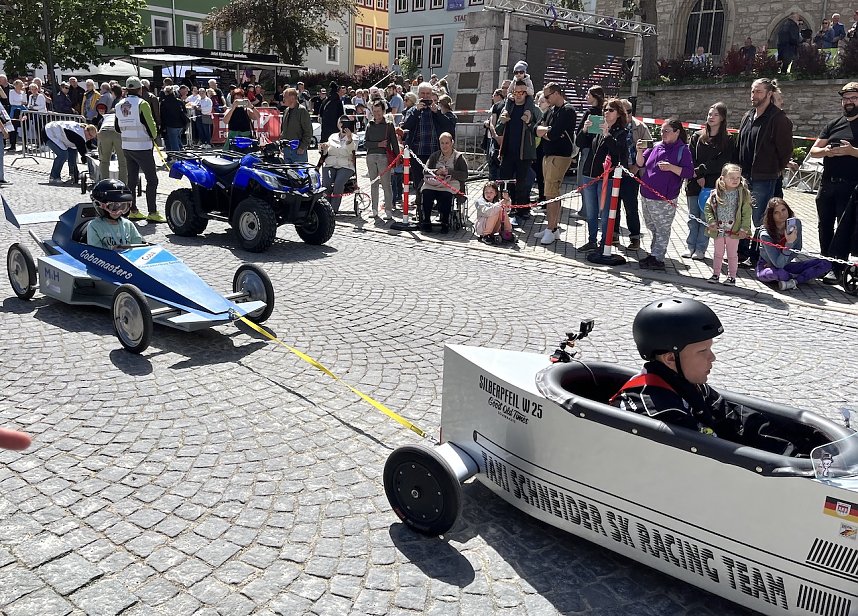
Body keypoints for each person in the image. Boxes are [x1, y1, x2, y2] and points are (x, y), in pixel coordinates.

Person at [809, 82, 858, 285]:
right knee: (824, 226)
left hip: (850, 185)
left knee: (843, 228)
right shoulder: (833, 124)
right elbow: (814, 151)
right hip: (827, 183)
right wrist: (828, 151)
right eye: (846, 99)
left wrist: (851, 151)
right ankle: (826, 263)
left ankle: (838, 267)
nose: (849, 102)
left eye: (853, 98)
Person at [635, 117, 694, 270]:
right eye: (661, 131)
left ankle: (658, 257)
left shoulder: (683, 150)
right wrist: (639, 151)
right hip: (647, 194)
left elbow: (689, 172)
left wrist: (671, 167)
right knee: (652, 226)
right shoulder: (656, 146)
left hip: (665, 198)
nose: (663, 134)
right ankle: (654, 253)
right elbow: (640, 163)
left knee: (662, 228)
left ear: (677, 132)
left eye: (666, 131)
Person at [737, 78, 793, 230]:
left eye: (758, 92)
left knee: (760, 218)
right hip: (743, 177)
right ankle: (741, 252)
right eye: (752, 91)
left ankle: (761, 251)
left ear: (769, 94)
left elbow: (786, 150)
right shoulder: (748, 116)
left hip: (764, 178)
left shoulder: (778, 118)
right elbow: (740, 144)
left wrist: (775, 168)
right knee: (742, 216)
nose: (754, 95)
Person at [684, 102, 735, 261]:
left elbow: (722, 162)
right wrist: (697, 175)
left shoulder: (728, 140)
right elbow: (690, 158)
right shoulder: (697, 136)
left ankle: (701, 248)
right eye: (710, 114)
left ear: (722, 118)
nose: (711, 117)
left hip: (713, 185)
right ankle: (690, 246)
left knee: (706, 219)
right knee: (693, 217)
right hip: (694, 182)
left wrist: (703, 172)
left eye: (716, 115)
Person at [576, 98, 628, 252]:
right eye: (605, 109)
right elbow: (580, 143)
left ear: (618, 114)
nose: (606, 112)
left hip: (607, 178)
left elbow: (618, 153)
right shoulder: (597, 127)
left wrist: (607, 134)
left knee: (604, 213)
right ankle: (591, 241)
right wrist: (584, 130)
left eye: (610, 110)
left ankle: (604, 243)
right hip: (589, 175)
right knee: (591, 212)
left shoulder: (621, 132)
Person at [114, 76, 164, 223]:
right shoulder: (142, 103)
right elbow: (151, 127)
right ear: (140, 89)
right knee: (152, 180)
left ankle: (133, 210)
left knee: (132, 179)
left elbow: (117, 128)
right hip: (142, 147)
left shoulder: (119, 104)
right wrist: (154, 135)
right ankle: (153, 212)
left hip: (127, 147)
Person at [756, 197, 832, 291]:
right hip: (767, 266)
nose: (781, 214)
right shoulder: (765, 234)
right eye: (776, 212)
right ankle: (799, 278)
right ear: (771, 215)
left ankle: (794, 281)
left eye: (784, 210)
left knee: (825, 263)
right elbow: (778, 264)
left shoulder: (796, 223)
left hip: (786, 264)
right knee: (780, 273)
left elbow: (797, 248)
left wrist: (785, 259)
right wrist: (789, 243)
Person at [535, 83, 577, 245]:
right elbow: (537, 127)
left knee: (551, 191)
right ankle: (552, 227)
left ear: (557, 93)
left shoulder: (568, 111)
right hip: (548, 154)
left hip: (560, 155)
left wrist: (545, 132)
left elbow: (553, 134)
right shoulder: (551, 110)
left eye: (547, 96)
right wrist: (545, 131)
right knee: (550, 192)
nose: (545, 99)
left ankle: (551, 229)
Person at [495, 79, 541, 222]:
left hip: (525, 153)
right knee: (506, 182)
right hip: (508, 152)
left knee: (522, 183)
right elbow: (497, 130)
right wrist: (502, 121)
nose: (519, 95)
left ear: (526, 93)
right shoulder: (508, 108)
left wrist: (529, 123)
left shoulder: (533, 109)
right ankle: (508, 208)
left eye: (522, 92)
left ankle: (522, 210)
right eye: (516, 92)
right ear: (512, 93)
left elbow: (537, 129)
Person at [399, 82, 446, 214]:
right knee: (419, 183)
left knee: (434, 182)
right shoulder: (412, 110)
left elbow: (446, 126)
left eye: (428, 94)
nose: (425, 96)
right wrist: (416, 111)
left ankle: (432, 207)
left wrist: (436, 112)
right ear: (418, 95)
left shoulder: (436, 110)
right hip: (416, 153)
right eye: (423, 94)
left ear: (432, 95)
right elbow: (406, 125)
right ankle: (420, 210)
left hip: (434, 153)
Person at [703, 163, 752, 286]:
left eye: (738, 178)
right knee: (718, 253)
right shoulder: (716, 193)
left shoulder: (743, 194)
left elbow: (747, 212)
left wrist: (744, 228)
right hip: (719, 229)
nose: (735, 180)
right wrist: (711, 221)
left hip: (733, 231)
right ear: (723, 178)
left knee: (732, 254)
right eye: (732, 178)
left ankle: (732, 277)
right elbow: (708, 208)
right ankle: (716, 274)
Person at [618, 98, 651, 250]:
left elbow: (649, 149)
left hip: (633, 172)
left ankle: (635, 238)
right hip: (615, 171)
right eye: (622, 112)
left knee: (630, 206)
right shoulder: (615, 126)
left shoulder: (640, 127)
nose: (626, 115)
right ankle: (613, 235)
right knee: (612, 205)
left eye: (628, 112)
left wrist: (637, 167)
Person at [420, 132, 468, 234]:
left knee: (446, 195)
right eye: (442, 143)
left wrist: (449, 172)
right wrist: (436, 171)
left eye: (447, 143)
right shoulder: (435, 155)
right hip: (434, 182)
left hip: (450, 182)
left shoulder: (458, 157)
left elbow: (465, 175)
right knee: (427, 193)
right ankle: (426, 220)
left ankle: (445, 221)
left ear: (452, 143)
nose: (444, 146)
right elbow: (425, 170)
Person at [364, 100, 399, 219]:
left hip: (384, 157)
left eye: (378, 111)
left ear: (383, 111)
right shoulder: (369, 125)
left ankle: (388, 210)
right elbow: (365, 144)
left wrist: (397, 157)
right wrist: (378, 144)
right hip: (371, 157)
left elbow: (394, 142)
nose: (376, 114)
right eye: (374, 111)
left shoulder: (389, 125)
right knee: (373, 184)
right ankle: (374, 210)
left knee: (386, 185)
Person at [86, 179, 144, 249]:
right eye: (113, 207)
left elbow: (138, 247)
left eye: (123, 206)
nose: (119, 211)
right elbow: (95, 251)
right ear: (100, 205)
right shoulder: (94, 226)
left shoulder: (128, 224)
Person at [320, 115, 356, 214]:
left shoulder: (354, 137)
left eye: (345, 123)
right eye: (341, 122)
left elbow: (352, 151)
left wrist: (349, 138)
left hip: (346, 165)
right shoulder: (332, 136)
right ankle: (325, 209)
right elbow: (325, 150)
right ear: (338, 124)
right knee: (326, 184)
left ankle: (332, 210)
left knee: (338, 184)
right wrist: (324, 147)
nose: (342, 125)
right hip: (330, 164)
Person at [575, 85, 605, 200]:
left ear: (595, 97)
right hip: (598, 149)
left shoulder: (590, 112)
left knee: (583, 180)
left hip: (587, 148)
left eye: (588, 94)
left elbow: (580, 133)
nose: (586, 97)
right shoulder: (604, 112)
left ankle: (585, 210)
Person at [44, 120, 96, 186]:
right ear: (86, 131)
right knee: (62, 155)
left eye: (92, 137)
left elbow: (89, 145)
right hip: (49, 133)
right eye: (90, 136)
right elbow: (83, 153)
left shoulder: (84, 131)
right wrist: (86, 159)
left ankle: (74, 173)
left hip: (58, 131)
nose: (90, 138)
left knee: (73, 151)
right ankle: (54, 177)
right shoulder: (79, 136)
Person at [96, 101, 127, 185]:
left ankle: (105, 183)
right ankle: (122, 184)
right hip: (118, 133)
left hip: (104, 132)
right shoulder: (121, 116)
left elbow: (98, 130)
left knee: (104, 161)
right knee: (122, 162)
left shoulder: (105, 117)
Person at [280, 87, 312, 163]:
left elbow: (308, 131)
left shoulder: (302, 111)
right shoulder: (286, 111)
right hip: (287, 150)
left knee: (300, 173)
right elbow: (283, 129)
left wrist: (302, 147)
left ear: (292, 98)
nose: (283, 99)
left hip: (298, 150)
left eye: (285, 97)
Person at [160, 87, 187, 151]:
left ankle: (178, 158)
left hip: (171, 124)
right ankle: (182, 152)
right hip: (180, 124)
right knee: (177, 139)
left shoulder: (164, 102)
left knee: (174, 143)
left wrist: (162, 127)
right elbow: (185, 112)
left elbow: (163, 115)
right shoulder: (179, 101)